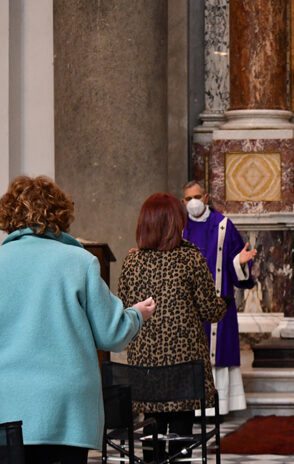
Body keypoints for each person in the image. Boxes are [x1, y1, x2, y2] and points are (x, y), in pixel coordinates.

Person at [0, 176, 155, 464]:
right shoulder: (79, 261)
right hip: (67, 407)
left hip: (7, 406)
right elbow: (112, 333)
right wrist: (137, 314)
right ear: (60, 213)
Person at [118, 192, 227, 460]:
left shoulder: (132, 262)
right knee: (181, 437)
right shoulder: (190, 259)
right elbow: (210, 310)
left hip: (146, 371)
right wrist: (226, 301)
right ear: (174, 223)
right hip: (183, 370)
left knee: (151, 431)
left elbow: (122, 308)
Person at [181, 180, 257, 414]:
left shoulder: (223, 225)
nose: (193, 202)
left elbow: (237, 262)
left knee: (218, 353)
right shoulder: (179, 228)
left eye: (197, 196)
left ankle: (219, 408)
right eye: (188, 199)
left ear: (206, 198)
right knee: (190, 355)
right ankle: (192, 409)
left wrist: (240, 262)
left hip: (218, 304)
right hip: (187, 308)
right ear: (183, 202)